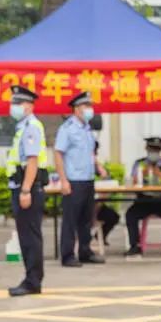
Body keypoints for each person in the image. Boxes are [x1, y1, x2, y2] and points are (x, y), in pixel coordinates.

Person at [55, 91, 106, 267]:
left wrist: (98, 165)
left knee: (86, 218)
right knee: (71, 219)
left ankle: (85, 251)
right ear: (76, 109)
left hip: (88, 179)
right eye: (86, 106)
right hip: (73, 180)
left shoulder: (87, 129)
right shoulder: (67, 129)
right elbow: (58, 154)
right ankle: (68, 255)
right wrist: (63, 180)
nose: (89, 110)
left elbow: (89, 152)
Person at [6, 86, 48, 297]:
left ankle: (33, 281)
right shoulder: (23, 127)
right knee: (27, 236)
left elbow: (32, 161)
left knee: (30, 237)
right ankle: (31, 278)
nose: (12, 107)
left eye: (17, 103)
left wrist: (25, 190)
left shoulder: (31, 126)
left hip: (27, 187)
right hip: (23, 186)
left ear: (29, 106)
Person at [124, 137, 161, 257]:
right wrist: (143, 173)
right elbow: (133, 182)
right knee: (130, 215)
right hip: (144, 200)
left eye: (157, 150)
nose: (154, 153)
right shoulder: (140, 163)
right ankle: (135, 246)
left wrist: (158, 173)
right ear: (146, 149)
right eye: (152, 149)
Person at [92, 141, 119, 246]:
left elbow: (107, 178)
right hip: (82, 204)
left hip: (96, 203)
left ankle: (100, 237)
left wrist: (98, 165)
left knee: (113, 216)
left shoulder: (95, 165)